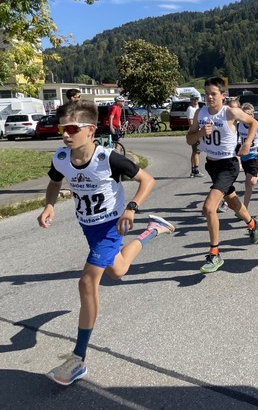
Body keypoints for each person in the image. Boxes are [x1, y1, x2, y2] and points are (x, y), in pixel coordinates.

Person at [38, 100, 175, 385]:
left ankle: (78, 359)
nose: (65, 133)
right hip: (88, 227)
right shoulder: (61, 158)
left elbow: (147, 180)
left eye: (72, 128)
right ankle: (153, 230)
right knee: (118, 270)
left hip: (112, 225)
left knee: (87, 282)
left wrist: (131, 208)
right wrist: (49, 205)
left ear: (90, 130)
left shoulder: (109, 158)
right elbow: (54, 183)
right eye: (62, 128)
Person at [186, 77, 258, 273]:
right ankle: (253, 223)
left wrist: (247, 144)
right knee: (231, 201)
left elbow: (254, 123)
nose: (210, 97)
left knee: (209, 207)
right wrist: (201, 132)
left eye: (214, 94)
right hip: (211, 165)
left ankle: (214, 254)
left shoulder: (230, 112)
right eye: (207, 94)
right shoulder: (200, 113)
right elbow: (189, 139)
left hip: (228, 165)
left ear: (223, 95)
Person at [238, 103, 258, 210]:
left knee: (250, 182)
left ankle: (244, 207)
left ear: (253, 115)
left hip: (254, 155)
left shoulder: (257, 126)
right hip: (243, 156)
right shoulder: (239, 125)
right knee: (250, 183)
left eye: (249, 114)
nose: (247, 117)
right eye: (244, 115)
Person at [186, 92, 204, 177]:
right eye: (194, 99)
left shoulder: (197, 108)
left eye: (197, 99)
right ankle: (195, 170)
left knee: (196, 152)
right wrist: (197, 130)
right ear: (191, 100)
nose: (196, 101)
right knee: (196, 151)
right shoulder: (190, 109)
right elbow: (191, 122)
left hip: (198, 131)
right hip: (195, 132)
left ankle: (194, 169)